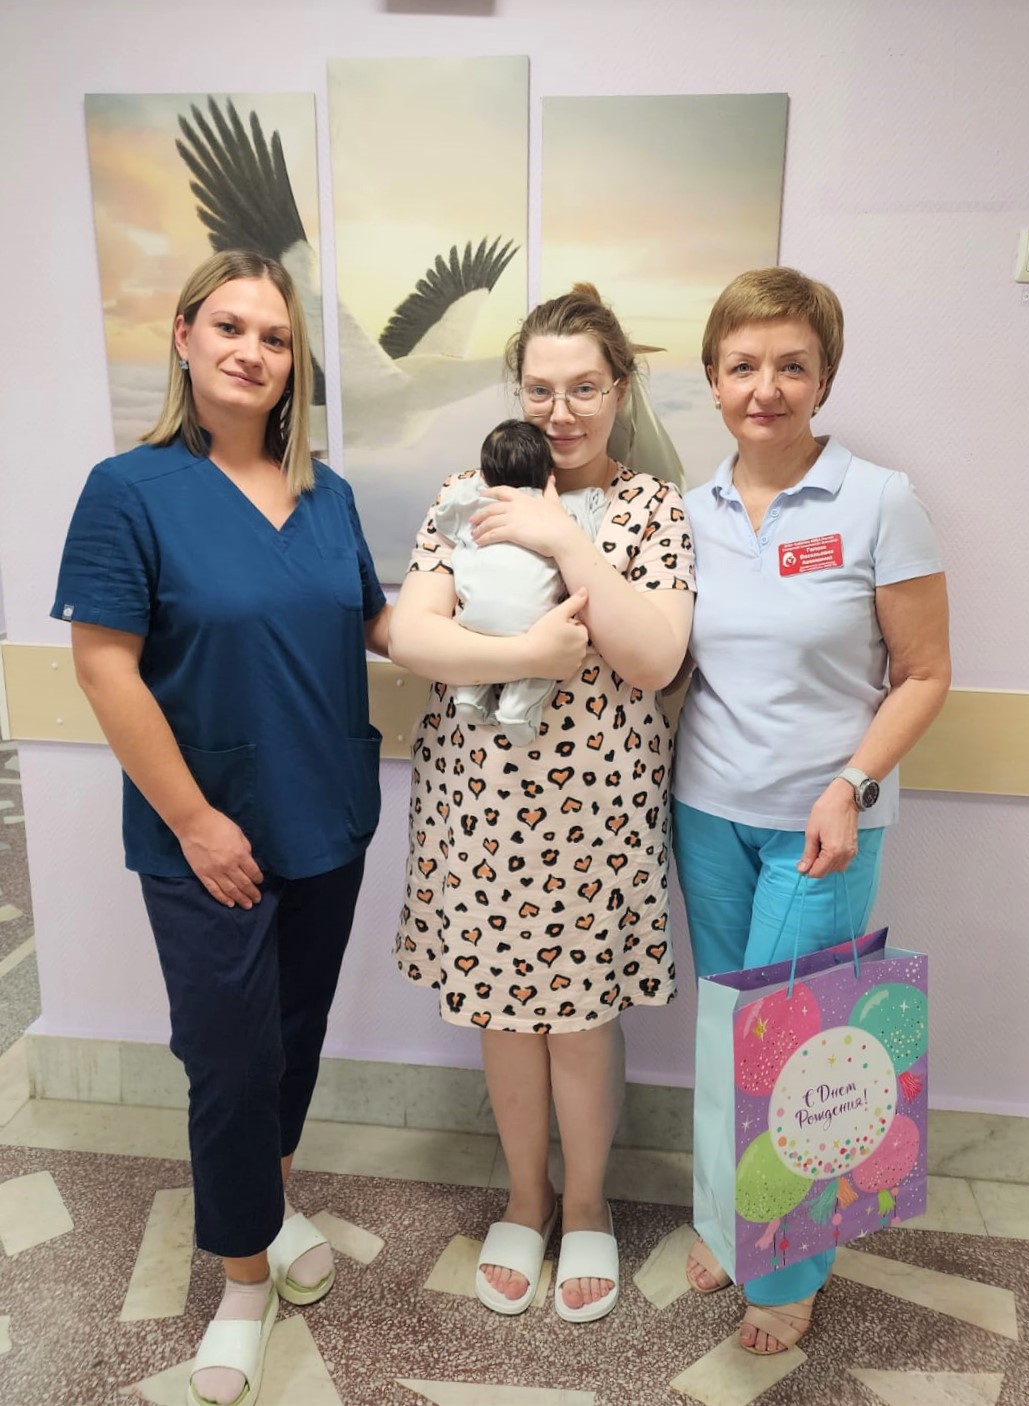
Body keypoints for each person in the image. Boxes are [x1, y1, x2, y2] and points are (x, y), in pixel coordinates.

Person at [52, 250, 389, 1406]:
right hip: (207, 838)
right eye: (231, 327)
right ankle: (243, 1278)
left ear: (296, 363)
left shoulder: (328, 495)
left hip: (325, 818)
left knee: (292, 1037)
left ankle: (272, 1197)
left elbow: (381, 624)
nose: (253, 351)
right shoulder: (128, 489)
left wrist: (524, 630)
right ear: (185, 336)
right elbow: (104, 668)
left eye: (276, 337)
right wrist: (195, 820)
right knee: (229, 1060)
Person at [390, 284, 695, 1323]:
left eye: (584, 389)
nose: (560, 412)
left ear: (620, 389)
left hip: (596, 816)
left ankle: (588, 1201)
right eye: (539, 389)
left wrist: (564, 537)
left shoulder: (653, 508)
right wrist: (527, 652)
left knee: (581, 1019)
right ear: (515, 390)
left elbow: (653, 659)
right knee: (502, 1013)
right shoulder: (465, 490)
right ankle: (524, 1198)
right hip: (478, 806)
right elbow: (413, 633)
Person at [672, 267, 950, 1355]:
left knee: (794, 1054)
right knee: (724, 1036)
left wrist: (850, 786)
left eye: (791, 365)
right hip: (705, 811)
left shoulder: (878, 499)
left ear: (823, 378)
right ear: (711, 379)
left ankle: (787, 1267)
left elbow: (922, 672)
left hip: (823, 823)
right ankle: (726, 1218)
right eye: (742, 365)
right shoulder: (689, 510)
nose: (765, 388)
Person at [436, 418, 607, 744]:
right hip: (532, 625)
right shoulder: (557, 511)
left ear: (485, 475)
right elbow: (587, 530)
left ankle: (469, 697)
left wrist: (476, 490)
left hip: (474, 623)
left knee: (480, 646)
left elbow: (443, 518)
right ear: (549, 474)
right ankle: (518, 709)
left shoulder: (472, 507)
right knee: (544, 655)